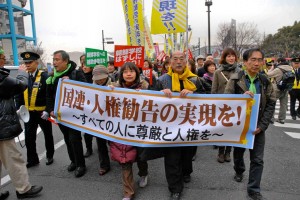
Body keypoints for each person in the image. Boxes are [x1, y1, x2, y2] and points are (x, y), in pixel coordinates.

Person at [225, 48, 276, 200]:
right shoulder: (235, 79)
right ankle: (239, 170)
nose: (256, 63)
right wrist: (240, 97)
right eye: (253, 60)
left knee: (257, 159)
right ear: (245, 62)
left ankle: (254, 189)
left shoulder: (265, 80)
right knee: (239, 153)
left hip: (258, 127)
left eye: (259, 60)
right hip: (240, 126)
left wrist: (263, 125)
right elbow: (226, 100)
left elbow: (271, 103)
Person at [156, 51, 205, 200]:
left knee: (187, 154)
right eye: (175, 59)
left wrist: (193, 94)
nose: (178, 62)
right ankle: (175, 188)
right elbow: (150, 99)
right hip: (169, 127)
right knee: (171, 157)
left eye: (181, 59)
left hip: (189, 124)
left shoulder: (195, 80)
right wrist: (160, 93)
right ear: (170, 62)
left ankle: (186, 172)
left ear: (186, 62)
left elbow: (208, 99)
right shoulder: (162, 80)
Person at [0, 59, 43, 199]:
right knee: (13, 158)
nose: (4, 60)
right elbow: (20, 85)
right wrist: (22, 73)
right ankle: (23, 189)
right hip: (2, 128)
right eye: (1, 58)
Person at [109, 62, 149, 200]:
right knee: (125, 159)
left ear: (137, 73)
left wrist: (144, 95)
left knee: (140, 156)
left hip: (140, 128)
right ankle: (128, 192)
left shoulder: (145, 87)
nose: (128, 74)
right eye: (125, 71)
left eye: (131, 71)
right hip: (121, 129)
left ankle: (143, 173)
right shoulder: (114, 88)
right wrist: (106, 91)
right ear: (121, 75)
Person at [46, 50, 87, 177]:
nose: (54, 62)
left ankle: (81, 165)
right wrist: (50, 109)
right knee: (67, 138)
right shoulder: (52, 77)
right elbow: (49, 96)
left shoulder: (76, 73)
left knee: (75, 138)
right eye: (53, 60)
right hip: (60, 114)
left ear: (66, 61)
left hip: (74, 113)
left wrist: (72, 83)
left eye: (57, 60)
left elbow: (87, 89)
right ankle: (73, 161)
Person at [14, 52, 55, 168]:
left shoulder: (44, 76)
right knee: (29, 138)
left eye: (30, 62)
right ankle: (32, 159)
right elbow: (18, 94)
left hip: (42, 113)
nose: (27, 65)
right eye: (25, 62)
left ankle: (50, 155)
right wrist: (18, 109)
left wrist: (48, 110)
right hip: (28, 114)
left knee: (48, 135)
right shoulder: (23, 76)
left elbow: (49, 95)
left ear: (36, 63)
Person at [211, 47, 240, 163]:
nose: (231, 58)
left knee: (232, 128)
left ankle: (228, 152)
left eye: (233, 56)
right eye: (229, 56)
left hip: (235, 105)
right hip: (221, 105)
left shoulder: (239, 71)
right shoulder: (218, 72)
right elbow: (214, 89)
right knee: (222, 128)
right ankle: (220, 152)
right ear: (224, 58)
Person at [92, 65, 112, 176]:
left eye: (102, 78)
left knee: (113, 141)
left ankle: (118, 157)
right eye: (97, 78)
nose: (100, 80)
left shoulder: (114, 84)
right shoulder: (90, 88)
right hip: (98, 119)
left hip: (112, 119)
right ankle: (104, 165)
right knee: (100, 143)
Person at [266, 57, 293, 124]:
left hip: (276, 89)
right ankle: (281, 119)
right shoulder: (290, 68)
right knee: (283, 104)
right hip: (286, 89)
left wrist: (271, 69)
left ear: (280, 62)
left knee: (272, 103)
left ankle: (271, 118)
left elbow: (267, 75)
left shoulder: (278, 69)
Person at [80, 58, 94, 157]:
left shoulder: (96, 76)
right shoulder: (79, 77)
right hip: (86, 108)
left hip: (98, 107)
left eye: (86, 65)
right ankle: (89, 149)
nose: (84, 67)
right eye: (82, 65)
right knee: (87, 132)